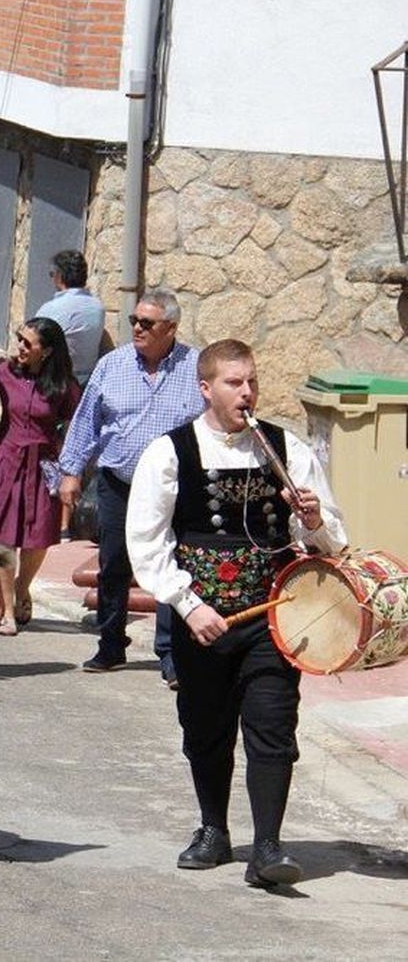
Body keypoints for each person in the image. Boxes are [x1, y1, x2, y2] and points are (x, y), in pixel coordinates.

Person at [126, 339, 345, 888]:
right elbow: (147, 544)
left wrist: (313, 520)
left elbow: (330, 543)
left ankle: (268, 847)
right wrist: (188, 604)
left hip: (273, 617)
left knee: (272, 725)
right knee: (205, 728)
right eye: (233, 382)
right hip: (203, 620)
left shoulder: (285, 449)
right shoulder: (169, 452)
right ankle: (213, 829)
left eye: (251, 381)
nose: (246, 392)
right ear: (206, 388)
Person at [58, 288, 202, 680]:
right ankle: (110, 645)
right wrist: (70, 471)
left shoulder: (195, 368)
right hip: (118, 481)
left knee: (171, 566)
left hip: (175, 488)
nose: (137, 328)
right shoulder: (113, 365)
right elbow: (86, 420)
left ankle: (171, 656)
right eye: (134, 321)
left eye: (147, 323)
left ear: (170, 328)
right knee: (114, 564)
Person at [0, 317, 80, 634]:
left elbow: (77, 425)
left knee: (37, 538)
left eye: (28, 343)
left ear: (47, 351)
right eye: (19, 339)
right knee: (4, 537)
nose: (20, 347)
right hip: (7, 462)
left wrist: (67, 463)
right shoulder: (6, 372)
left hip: (43, 466)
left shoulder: (63, 385)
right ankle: (6, 610)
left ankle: (22, 588)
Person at [34, 249, 108, 386]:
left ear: (59, 276)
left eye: (52, 274)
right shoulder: (98, 308)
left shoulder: (50, 309)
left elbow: (33, 346)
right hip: (88, 383)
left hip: (56, 383)